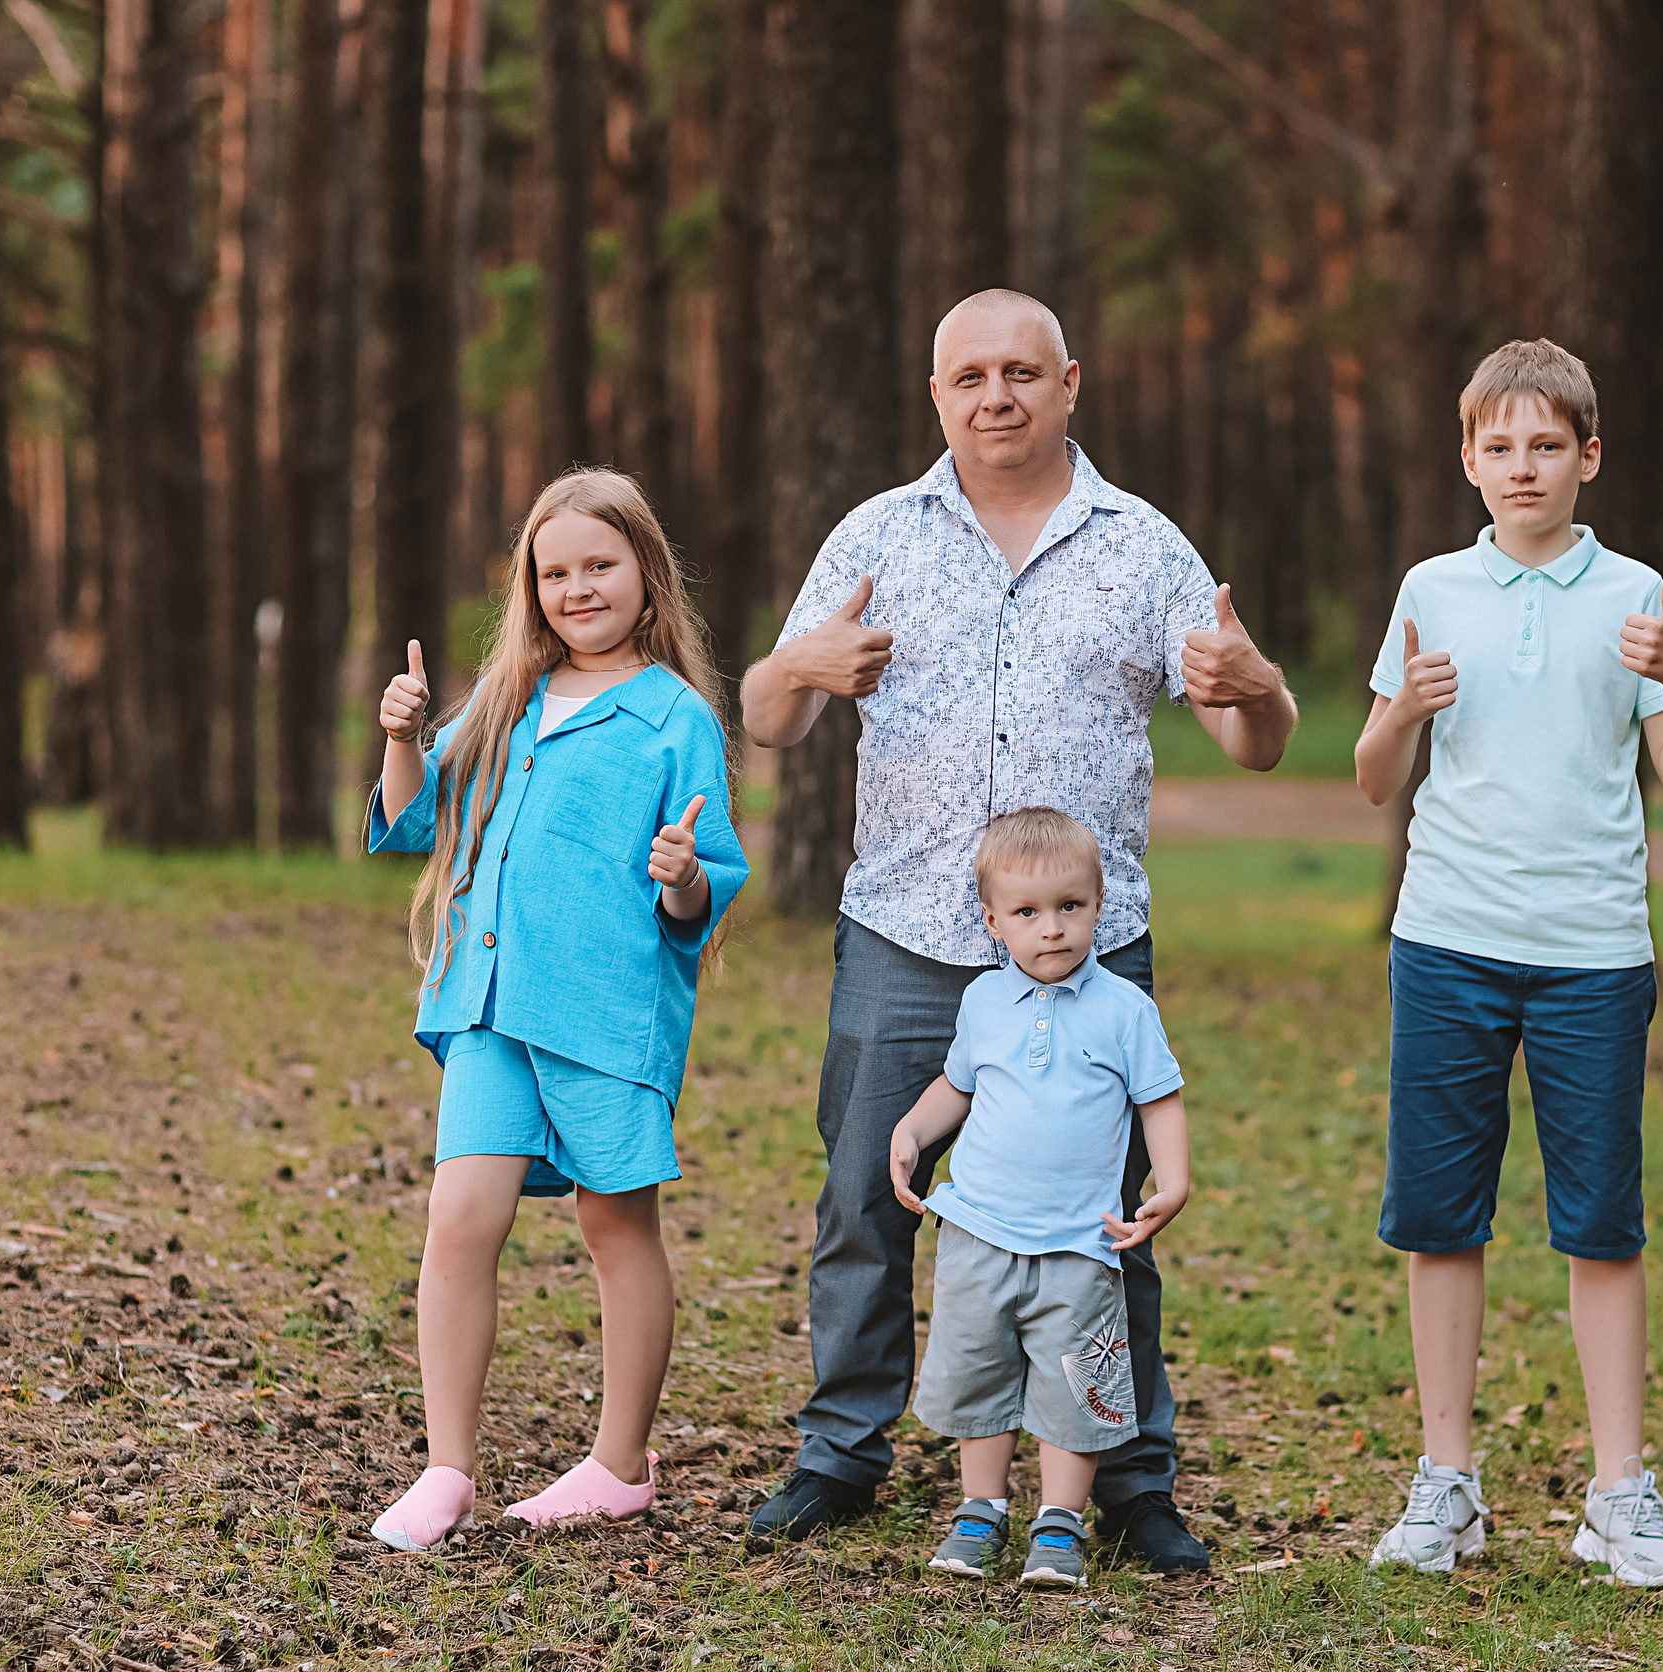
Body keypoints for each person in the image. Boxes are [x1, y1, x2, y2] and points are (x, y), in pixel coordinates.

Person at [738, 288, 1298, 1573]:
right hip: (908, 934)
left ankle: (1127, 1476)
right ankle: (844, 1452)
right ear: (935, 396)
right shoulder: (877, 535)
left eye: (1021, 373)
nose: (996, 396)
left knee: (1109, 1217)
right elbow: (770, 714)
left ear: (1069, 384)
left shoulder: (1142, 546)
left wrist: (1253, 684)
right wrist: (800, 672)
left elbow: (1252, 739)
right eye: (969, 376)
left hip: (1084, 958)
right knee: (864, 1195)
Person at [1352, 339, 1663, 1587]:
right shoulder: (1429, 589)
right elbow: (1370, 777)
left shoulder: (1636, 596)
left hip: (1592, 955)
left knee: (1600, 1226)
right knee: (1439, 1221)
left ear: (1587, 457)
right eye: (1498, 447)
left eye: (1545, 446)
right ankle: (1445, 1483)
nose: (1522, 467)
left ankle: (1620, 1494)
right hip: (1447, 943)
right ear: (1468, 460)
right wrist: (1401, 708)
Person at [363, 468, 748, 1552]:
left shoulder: (674, 717)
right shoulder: (503, 701)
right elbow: (407, 822)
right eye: (555, 571)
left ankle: (620, 1465)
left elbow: (707, 884)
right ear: (530, 588)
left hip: (605, 1019)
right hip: (487, 1006)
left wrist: (681, 874)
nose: (578, 588)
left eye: (600, 566)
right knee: (457, 1220)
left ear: (645, 575)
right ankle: (448, 1468)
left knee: (615, 1225)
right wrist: (401, 734)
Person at [890, 809, 1192, 1589]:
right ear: (993, 922)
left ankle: (1058, 1522)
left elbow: (1159, 1100)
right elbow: (957, 1085)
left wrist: (1173, 1178)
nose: (1051, 929)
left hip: (1079, 1243)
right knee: (979, 1371)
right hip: (980, 1232)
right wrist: (914, 1133)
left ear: (1099, 905)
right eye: (1027, 912)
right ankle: (979, 1509)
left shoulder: (1125, 1009)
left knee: (1071, 1385)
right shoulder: (985, 1002)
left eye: (1070, 907)